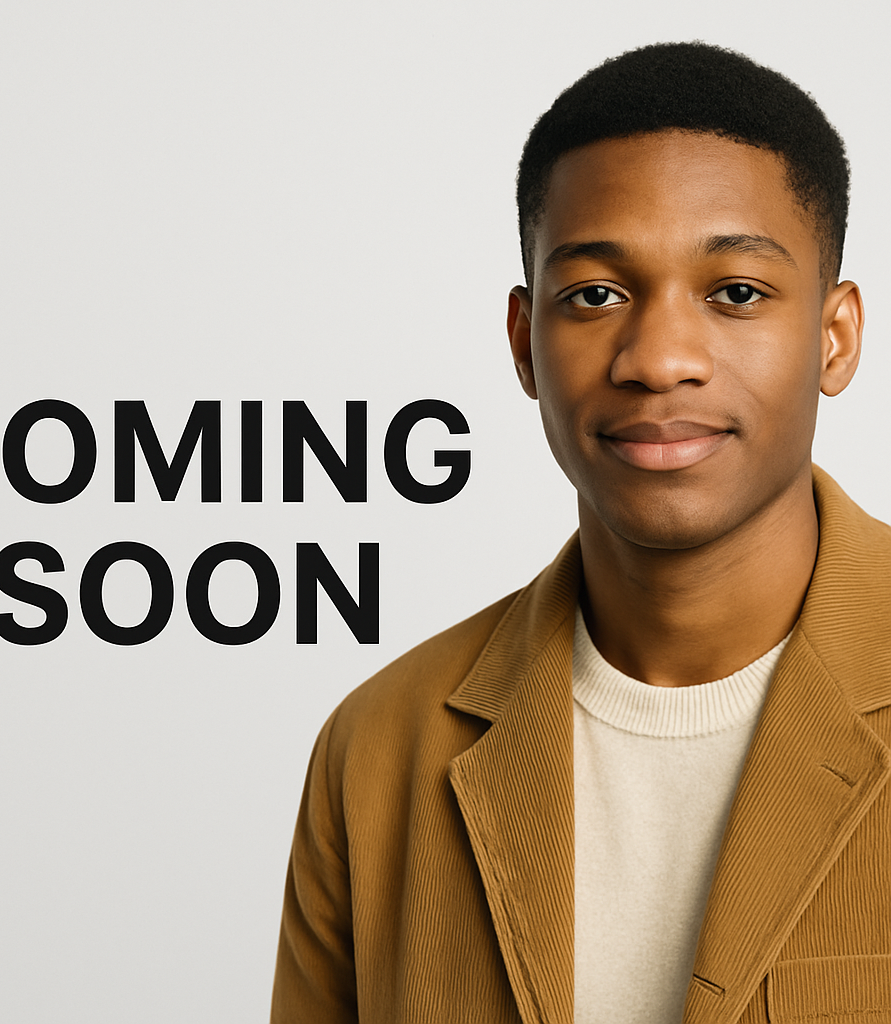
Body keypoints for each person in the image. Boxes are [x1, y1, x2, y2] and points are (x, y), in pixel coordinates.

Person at [271, 42, 891, 1024]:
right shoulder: (381, 751)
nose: (659, 359)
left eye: (735, 292)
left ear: (835, 334)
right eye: (596, 295)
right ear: (525, 343)